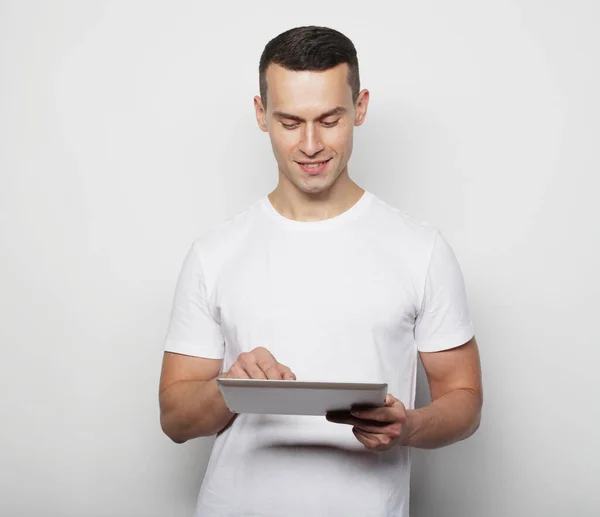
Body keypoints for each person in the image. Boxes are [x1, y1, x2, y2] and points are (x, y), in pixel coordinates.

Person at [158, 25, 483, 517]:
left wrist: (408, 427)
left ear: (361, 108)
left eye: (330, 120)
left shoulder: (422, 249)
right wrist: (232, 388)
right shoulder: (214, 253)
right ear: (261, 114)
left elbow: (465, 398)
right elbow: (175, 419)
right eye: (290, 123)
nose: (310, 144)